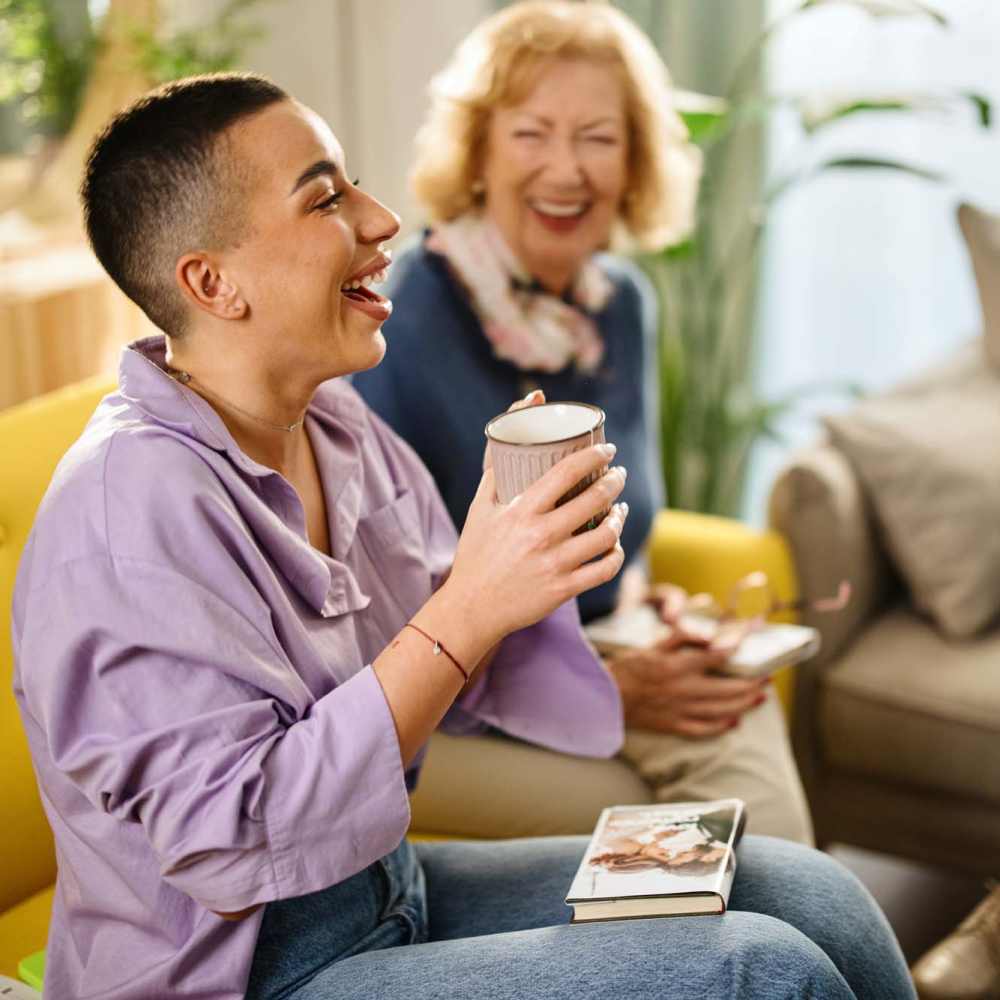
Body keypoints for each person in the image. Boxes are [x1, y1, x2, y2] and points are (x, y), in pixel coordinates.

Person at [10, 72, 916, 1000]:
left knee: (811, 893)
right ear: (212, 283)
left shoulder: (336, 425)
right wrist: (472, 604)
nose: (381, 219)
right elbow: (231, 843)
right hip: (242, 971)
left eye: (353, 185)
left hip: (384, 886)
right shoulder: (125, 514)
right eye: (324, 200)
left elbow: (457, 636)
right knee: (763, 972)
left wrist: (534, 556)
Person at [352, 0, 813, 843]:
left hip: (588, 658)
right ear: (478, 152)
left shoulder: (620, 304)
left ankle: (796, 916)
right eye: (531, 134)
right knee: (714, 808)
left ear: (635, 163)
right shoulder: (401, 321)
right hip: (443, 702)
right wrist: (612, 689)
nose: (566, 171)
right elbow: (378, 620)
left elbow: (620, 533)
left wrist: (644, 608)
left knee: (732, 714)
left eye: (598, 139)